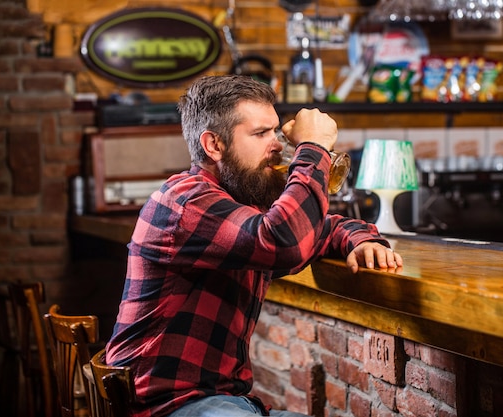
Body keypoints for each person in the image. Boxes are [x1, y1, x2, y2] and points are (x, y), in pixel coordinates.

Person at [105, 74, 403, 417]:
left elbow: (316, 230)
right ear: (214, 145)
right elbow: (284, 241)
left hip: (221, 401)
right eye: (261, 133)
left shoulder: (241, 206)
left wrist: (363, 240)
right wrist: (314, 149)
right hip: (165, 406)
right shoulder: (185, 203)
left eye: (275, 131)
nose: (276, 144)